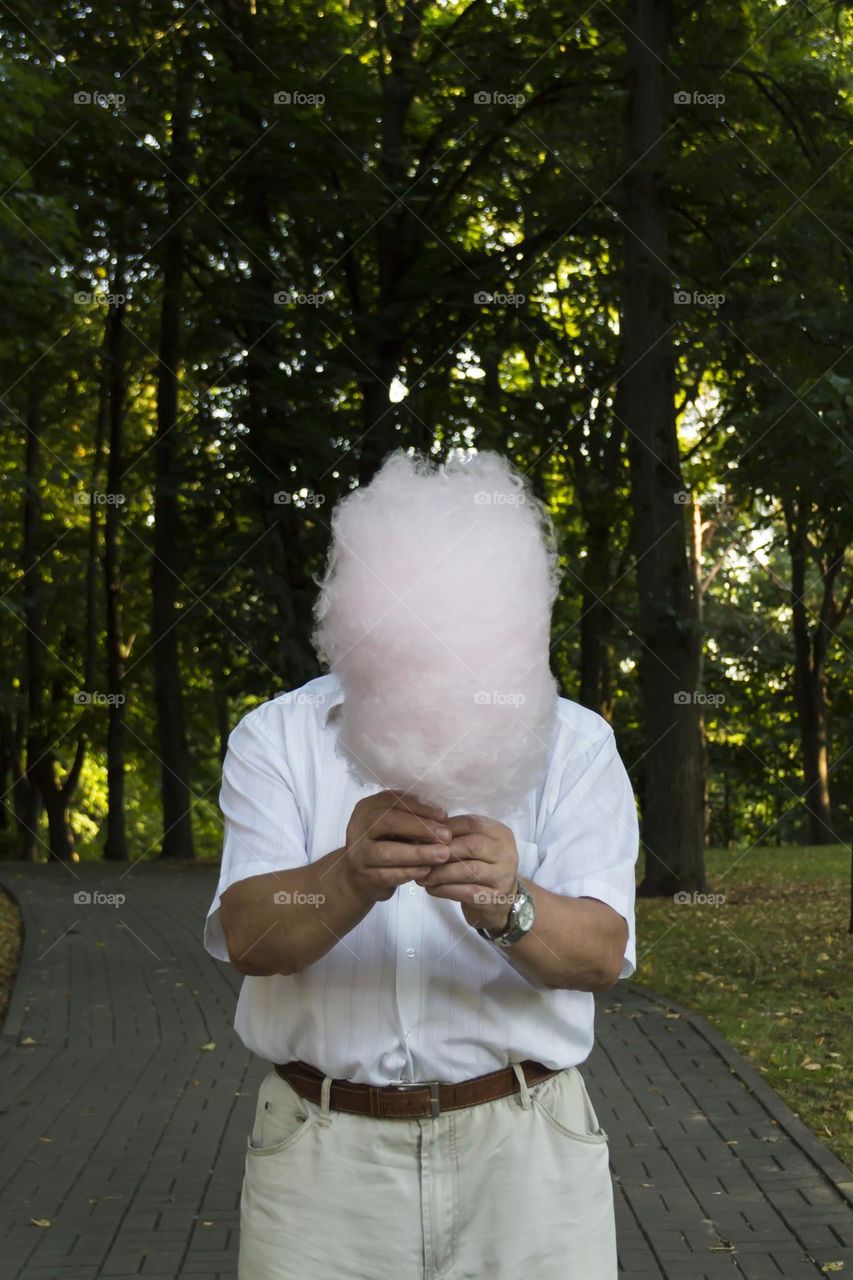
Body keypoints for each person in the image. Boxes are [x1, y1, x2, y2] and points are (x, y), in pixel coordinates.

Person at [203, 450, 639, 1279]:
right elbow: (246, 938)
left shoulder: (576, 745)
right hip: (320, 1161)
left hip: (526, 1153)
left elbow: (602, 954)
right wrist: (347, 877)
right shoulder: (277, 739)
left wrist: (513, 902)